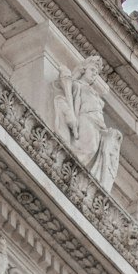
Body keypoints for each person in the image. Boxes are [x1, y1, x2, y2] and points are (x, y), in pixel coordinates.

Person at [52, 57, 122, 191]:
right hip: (86, 118)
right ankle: (70, 168)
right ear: (84, 70)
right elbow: (75, 103)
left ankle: (76, 173)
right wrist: (72, 117)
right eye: (92, 70)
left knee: (96, 148)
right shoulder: (78, 85)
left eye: (96, 72)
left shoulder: (94, 93)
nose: (94, 73)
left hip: (98, 124)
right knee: (90, 147)